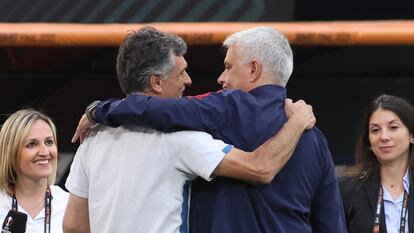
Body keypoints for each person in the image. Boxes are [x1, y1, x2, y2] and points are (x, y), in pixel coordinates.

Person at [72, 26, 347, 233]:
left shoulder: (222, 110)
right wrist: (297, 124)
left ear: (253, 70)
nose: (220, 78)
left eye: (228, 67)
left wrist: (99, 109)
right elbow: (330, 222)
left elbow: (159, 109)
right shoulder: (315, 138)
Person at [340, 94, 414, 233]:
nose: (384, 136)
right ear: (369, 141)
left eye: (393, 127)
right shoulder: (347, 190)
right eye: (375, 130)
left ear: (411, 135)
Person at [0, 109, 69, 232]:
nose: (45, 152)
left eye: (49, 142)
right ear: (11, 152)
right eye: (32, 144)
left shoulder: (70, 206)